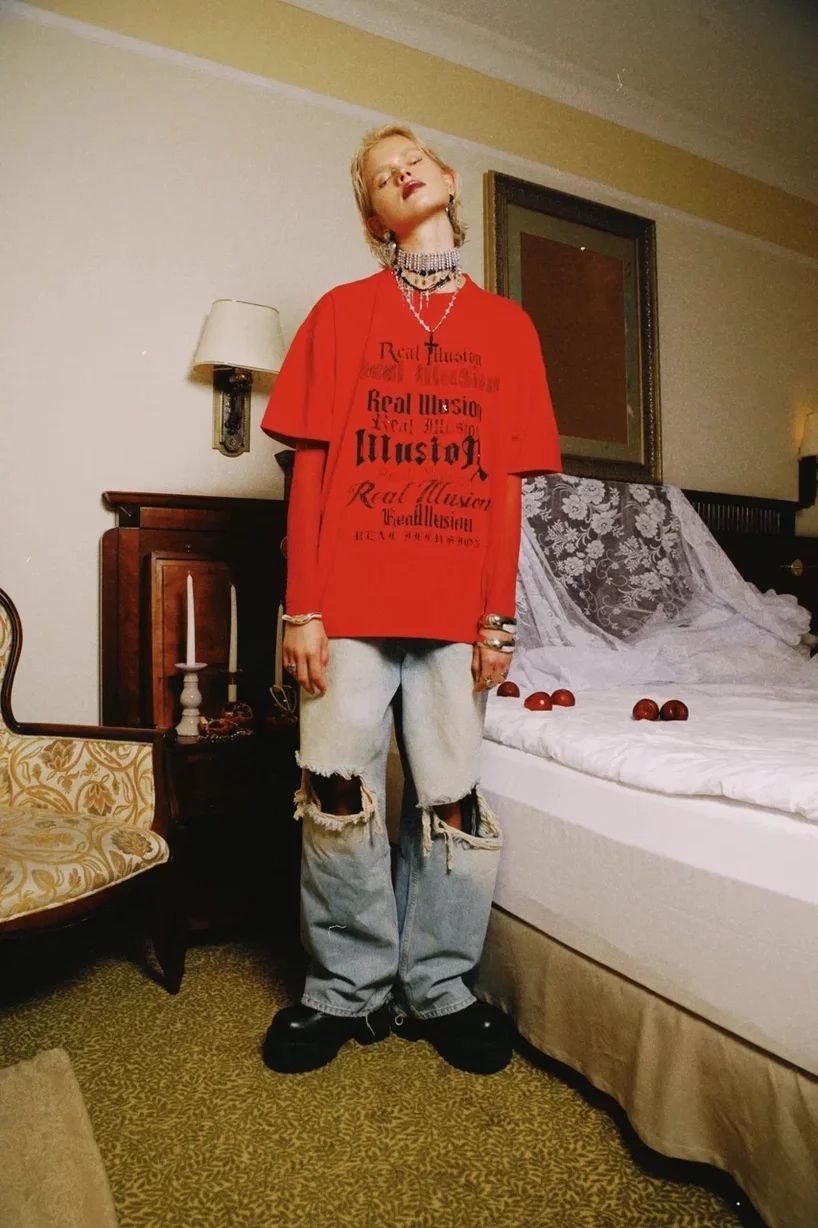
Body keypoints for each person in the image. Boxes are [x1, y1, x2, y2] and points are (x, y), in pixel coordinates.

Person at [260, 123, 560, 1076]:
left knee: (452, 799)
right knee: (335, 791)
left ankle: (437, 986)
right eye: (379, 175)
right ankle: (344, 988)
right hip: (345, 607)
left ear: (446, 179)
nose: (399, 170)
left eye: (413, 158)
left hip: (455, 614)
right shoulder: (339, 315)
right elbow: (311, 471)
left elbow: (505, 488)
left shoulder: (509, 329)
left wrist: (498, 619)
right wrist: (301, 609)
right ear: (372, 217)